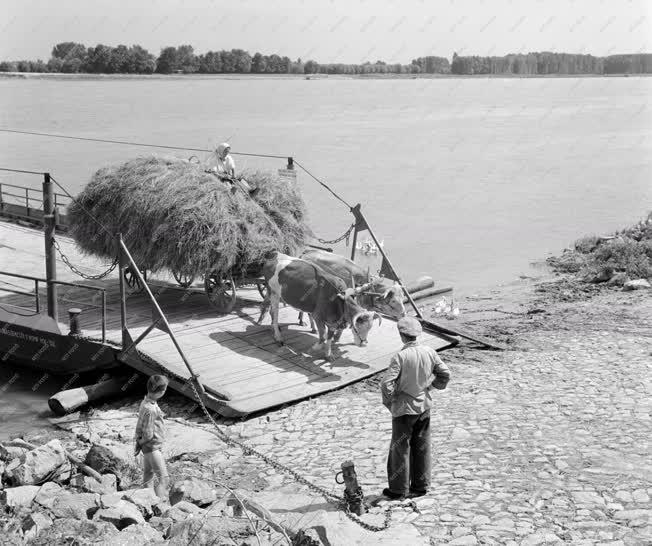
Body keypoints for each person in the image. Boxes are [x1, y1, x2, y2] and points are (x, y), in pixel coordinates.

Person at [380, 316, 451, 499]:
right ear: (418, 334)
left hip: (405, 410)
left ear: (402, 335)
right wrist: (430, 387)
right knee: (422, 446)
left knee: (400, 448)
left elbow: (386, 384)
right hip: (424, 406)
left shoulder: (400, 357)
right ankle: (420, 485)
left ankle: (398, 489)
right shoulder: (429, 351)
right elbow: (444, 374)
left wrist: (391, 401)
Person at [134, 374, 170, 497]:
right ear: (162, 391)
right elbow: (148, 434)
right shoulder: (151, 409)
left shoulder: (146, 402)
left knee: (148, 475)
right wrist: (140, 443)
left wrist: (140, 443)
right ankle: (160, 506)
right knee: (164, 479)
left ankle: (148, 501)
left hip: (148, 447)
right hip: (152, 447)